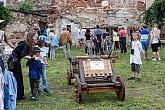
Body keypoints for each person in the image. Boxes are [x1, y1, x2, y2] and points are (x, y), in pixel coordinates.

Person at [7, 32, 39, 100]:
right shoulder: (26, 45)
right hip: (13, 61)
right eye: (35, 37)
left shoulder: (26, 44)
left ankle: (19, 95)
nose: (37, 39)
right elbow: (23, 55)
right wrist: (33, 58)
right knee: (16, 78)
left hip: (15, 61)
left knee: (19, 78)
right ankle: (17, 96)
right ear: (31, 38)